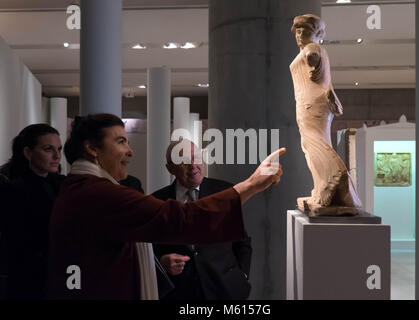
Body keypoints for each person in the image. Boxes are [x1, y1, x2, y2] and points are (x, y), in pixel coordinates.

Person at [46, 113, 285, 300]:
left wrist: (241, 276)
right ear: (92, 148)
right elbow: (180, 219)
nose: (130, 151)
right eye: (121, 141)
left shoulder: (79, 187)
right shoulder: (97, 193)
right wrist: (252, 184)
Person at [152, 139, 252, 300]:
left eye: (196, 158)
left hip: (225, 290)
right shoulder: (157, 201)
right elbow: (150, 248)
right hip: (178, 292)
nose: (193, 166)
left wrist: (242, 277)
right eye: (183, 162)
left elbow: (242, 242)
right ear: (170, 168)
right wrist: (161, 262)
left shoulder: (225, 191)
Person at [289, 14, 361, 214]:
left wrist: (313, 58)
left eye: (306, 30)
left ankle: (336, 178)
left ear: (317, 33)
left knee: (315, 144)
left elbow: (314, 57)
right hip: (307, 103)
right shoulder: (308, 49)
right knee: (310, 146)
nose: (300, 34)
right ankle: (323, 189)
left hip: (313, 104)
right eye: (298, 30)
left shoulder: (313, 48)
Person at [0, 124, 64, 300]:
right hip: (28, 275)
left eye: (59, 149)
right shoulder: (12, 190)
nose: (57, 156)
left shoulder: (60, 184)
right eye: (48, 149)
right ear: (28, 152)